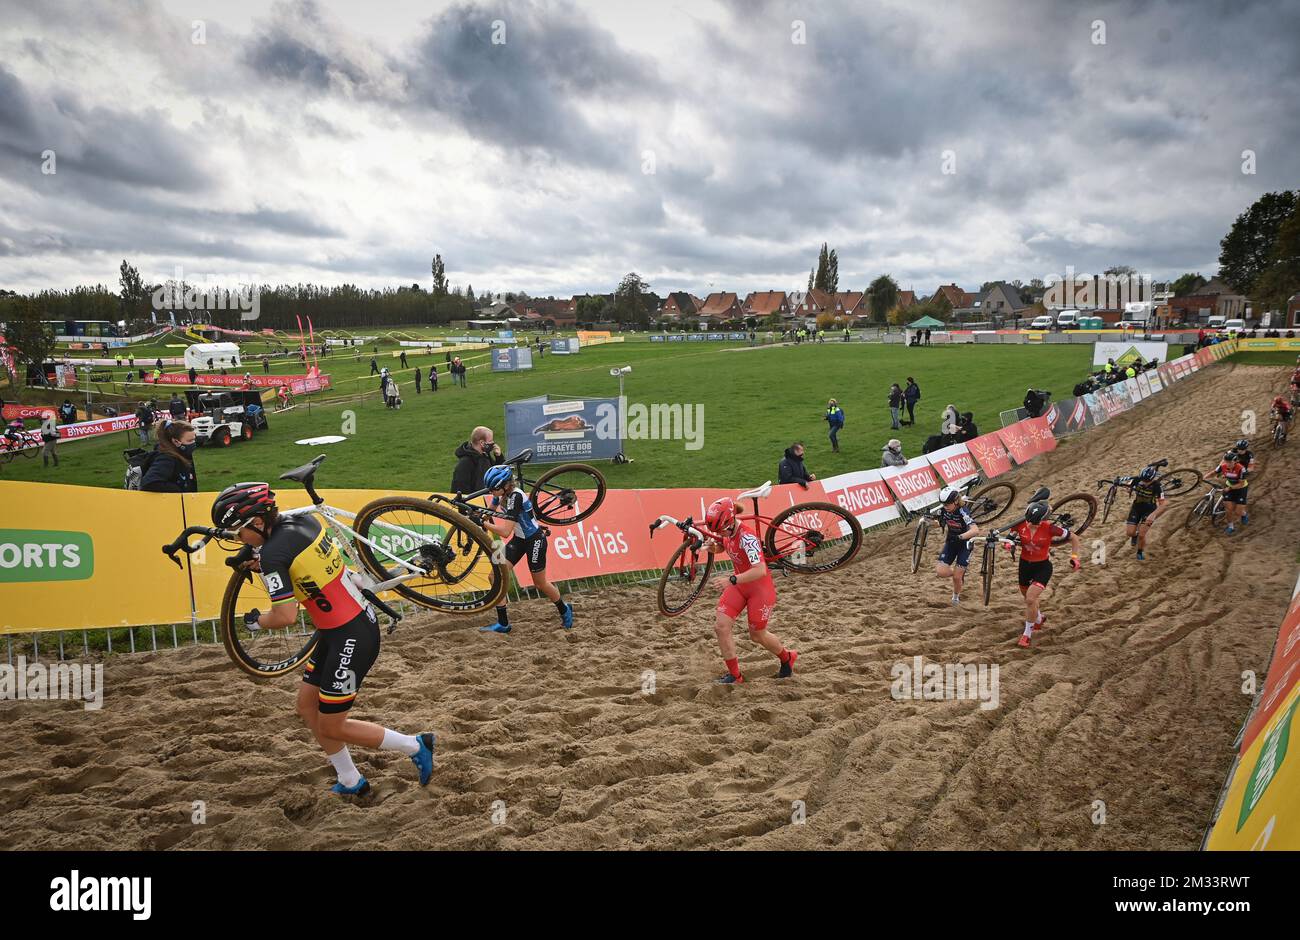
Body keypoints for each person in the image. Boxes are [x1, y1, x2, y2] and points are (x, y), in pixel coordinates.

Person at [212, 483, 435, 797]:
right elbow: (293, 558)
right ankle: (350, 780)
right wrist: (264, 562)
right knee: (306, 706)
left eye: (239, 531)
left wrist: (254, 622)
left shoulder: (274, 554)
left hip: (351, 636)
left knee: (332, 724)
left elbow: (285, 617)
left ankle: (415, 745)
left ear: (259, 522)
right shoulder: (300, 522)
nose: (238, 539)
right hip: (338, 629)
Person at [702, 496, 796, 684]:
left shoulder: (748, 537)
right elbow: (724, 544)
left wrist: (732, 579)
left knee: (757, 635)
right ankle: (735, 676)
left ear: (729, 522)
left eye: (720, 529)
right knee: (721, 627)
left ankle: (787, 658)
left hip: (759, 590)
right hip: (739, 586)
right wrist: (714, 548)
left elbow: (760, 570)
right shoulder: (728, 529)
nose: (720, 533)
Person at [473, 465, 574, 635]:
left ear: (505, 485)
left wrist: (482, 523)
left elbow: (505, 532)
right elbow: (491, 509)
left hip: (534, 540)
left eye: (493, 488)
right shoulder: (502, 493)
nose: (491, 491)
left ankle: (564, 609)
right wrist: (478, 515)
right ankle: (503, 623)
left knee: (539, 583)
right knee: (494, 576)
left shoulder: (514, 497)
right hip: (519, 539)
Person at [1007, 500, 1083, 648]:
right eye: (1030, 522)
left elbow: (1074, 537)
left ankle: (1027, 635)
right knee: (1029, 599)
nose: (1031, 525)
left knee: (1030, 599)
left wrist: (1074, 557)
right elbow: (1008, 540)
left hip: (1042, 567)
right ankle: (1039, 618)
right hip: (1024, 566)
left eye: (1035, 523)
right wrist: (1008, 544)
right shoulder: (1020, 525)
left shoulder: (1050, 528)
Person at [932, 487, 979, 604]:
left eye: (948, 504)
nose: (945, 506)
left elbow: (975, 530)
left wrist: (960, 537)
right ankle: (958, 573)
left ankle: (955, 597)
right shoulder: (944, 510)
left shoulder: (963, 511)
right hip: (951, 543)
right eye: (943, 504)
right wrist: (930, 521)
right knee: (941, 572)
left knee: (957, 578)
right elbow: (940, 523)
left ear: (956, 501)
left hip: (965, 544)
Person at [1118, 464, 1169, 561]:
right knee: (1130, 533)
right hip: (1136, 507)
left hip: (1150, 510)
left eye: (1147, 481)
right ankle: (1134, 535)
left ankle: (1140, 552)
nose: (1144, 483)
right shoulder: (1137, 479)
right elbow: (1128, 485)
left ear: (1153, 479)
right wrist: (1128, 489)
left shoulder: (1158, 486)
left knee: (1142, 535)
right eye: (1143, 480)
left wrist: (1153, 515)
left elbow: (1163, 505)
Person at [140, 421, 199, 492]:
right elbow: (149, 483)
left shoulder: (183, 452)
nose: (193, 443)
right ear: (176, 441)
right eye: (190, 441)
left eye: (194, 439)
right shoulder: (166, 458)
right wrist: (178, 491)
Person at [451, 426, 504, 493]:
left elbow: (497, 475)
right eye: (490, 441)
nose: (493, 443)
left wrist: (499, 457)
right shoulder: (465, 463)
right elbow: (459, 489)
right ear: (482, 443)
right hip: (473, 501)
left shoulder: (485, 456)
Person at [1211, 451, 1249, 534]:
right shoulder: (1222, 466)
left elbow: (1241, 483)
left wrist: (1230, 488)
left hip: (1241, 489)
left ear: (1235, 462)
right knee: (1229, 510)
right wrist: (1202, 478)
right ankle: (1231, 527)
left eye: (1230, 462)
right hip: (1229, 488)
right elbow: (1213, 473)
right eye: (1226, 461)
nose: (1227, 464)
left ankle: (1244, 514)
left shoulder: (1241, 469)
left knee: (1238, 511)